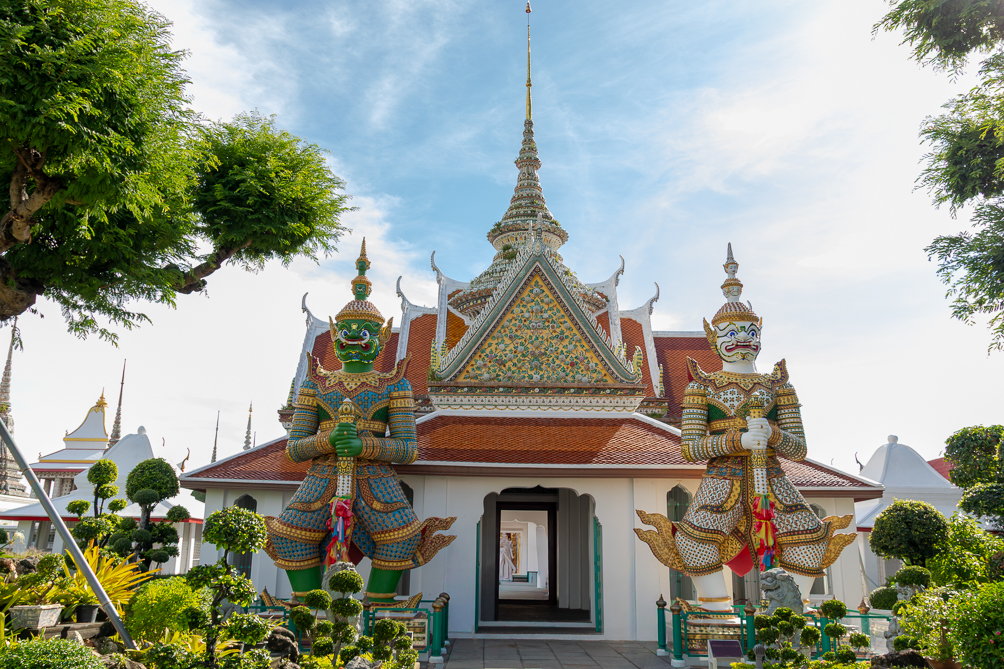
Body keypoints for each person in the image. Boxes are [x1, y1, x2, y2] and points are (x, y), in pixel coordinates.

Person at [636, 245, 854, 611]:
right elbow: (689, 447)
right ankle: (716, 610)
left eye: (751, 331)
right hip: (722, 477)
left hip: (771, 476)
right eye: (733, 332)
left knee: (810, 543)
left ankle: (787, 611)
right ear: (714, 337)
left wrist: (773, 435)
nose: (744, 339)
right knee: (693, 544)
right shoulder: (701, 386)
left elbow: (799, 449)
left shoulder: (777, 384)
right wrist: (739, 439)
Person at [264, 241, 455, 605]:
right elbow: (294, 449)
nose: (354, 337)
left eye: (364, 332)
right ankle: (307, 609)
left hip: (375, 481)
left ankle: (377, 608)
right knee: (289, 534)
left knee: (401, 537)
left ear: (382, 339)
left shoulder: (395, 385)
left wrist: (363, 446)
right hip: (322, 478)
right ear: (334, 336)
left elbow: (407, 449)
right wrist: (330, 440)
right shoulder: (315, 384)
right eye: (347, 330)